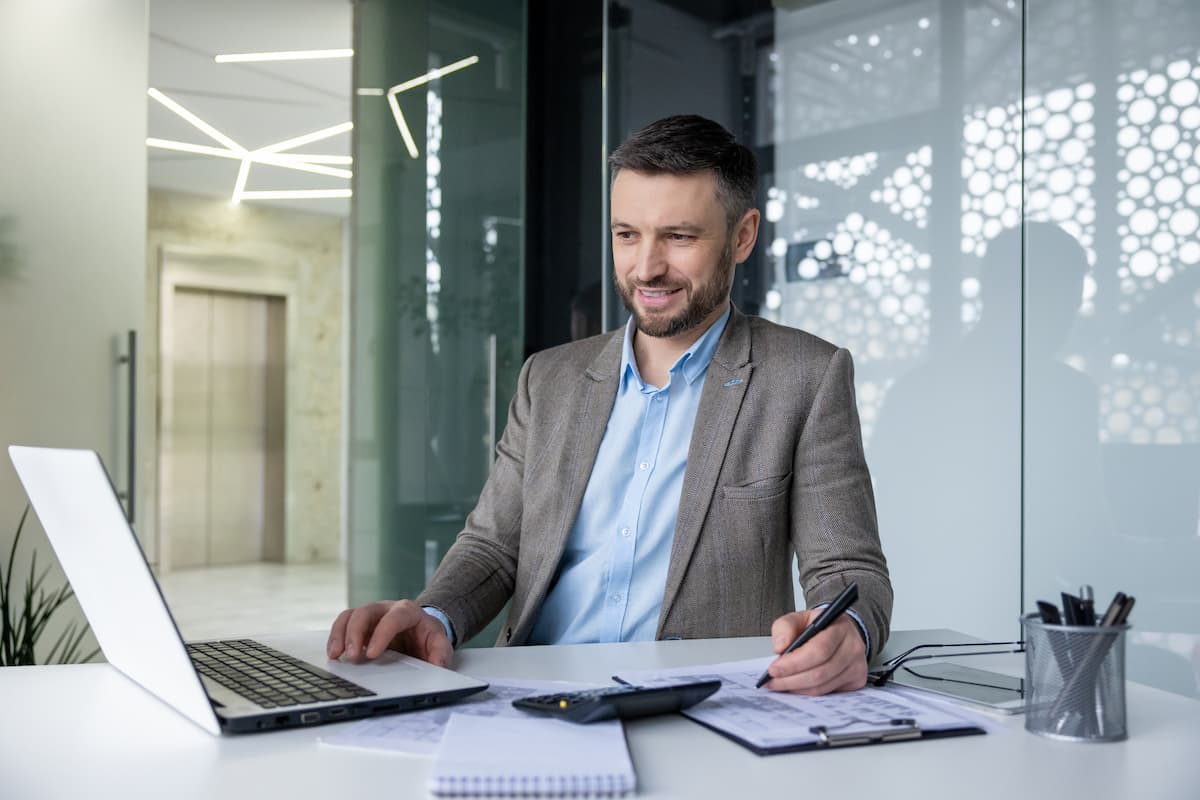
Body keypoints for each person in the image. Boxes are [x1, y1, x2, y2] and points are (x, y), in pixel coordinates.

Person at [328, 115, 892, 695]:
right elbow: (494, 545)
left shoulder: (805, 376)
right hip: (534, 699)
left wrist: (847, 628)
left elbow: (848, 568)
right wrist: (435, 614)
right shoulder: (548, 379)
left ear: (743, 236)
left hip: (703, 707)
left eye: (679, 236)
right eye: (627, 234)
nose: (646, 267)